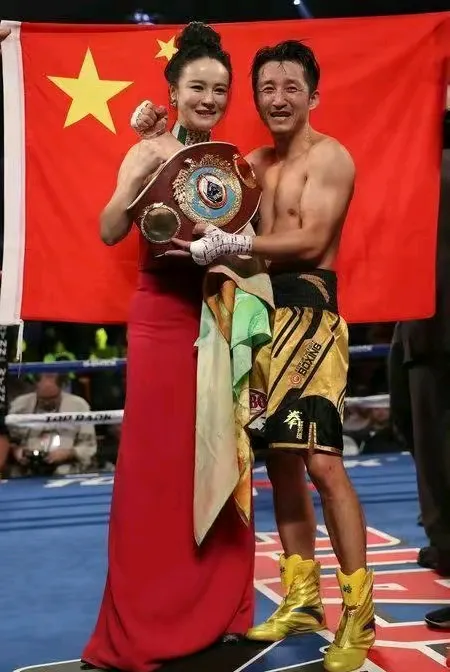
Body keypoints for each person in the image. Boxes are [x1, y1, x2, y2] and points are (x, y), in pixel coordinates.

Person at [166, 40, 375, 672]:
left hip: (310, 315)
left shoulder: (330, 156)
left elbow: (312, 238)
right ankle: (303, 598)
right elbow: (194, 186)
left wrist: (233, 243)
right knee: (279, 462)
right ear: (255, 98)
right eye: (266, 88)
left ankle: (359, 614)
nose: (278, 98)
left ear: (313, 95)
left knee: (321, 461)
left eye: (291, 87)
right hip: (259, 316)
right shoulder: (251, 163)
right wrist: (156, 129)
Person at [82, 23, 254, 672]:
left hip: (218, 317)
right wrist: (141, 179)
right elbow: (108, 229)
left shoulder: (232, 163)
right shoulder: (148, 148)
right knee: (154, 474)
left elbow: (252, 248)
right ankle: (145, 620)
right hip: (161, 319)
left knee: (218, 463)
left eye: (220, 90)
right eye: (197, 87)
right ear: (174, 91)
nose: (209, 98)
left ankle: (223, 607)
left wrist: (230, 249)